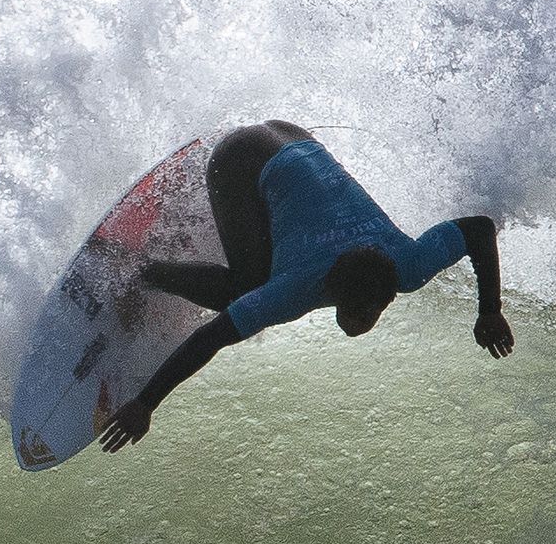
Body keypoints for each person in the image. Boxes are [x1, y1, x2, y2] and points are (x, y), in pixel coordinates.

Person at [99, 120, 514, 450]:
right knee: (245, 287)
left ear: (388, 299)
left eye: (367, 314)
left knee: (265, 251)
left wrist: (490, 310)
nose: (356, 324)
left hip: (294, 136)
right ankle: (142, 271)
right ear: (330, 290)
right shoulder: (296, 287)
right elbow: (212, 336)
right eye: (354, 312)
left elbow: (480, 229)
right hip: (240, 158)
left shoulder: (408, 265)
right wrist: (145, 403)